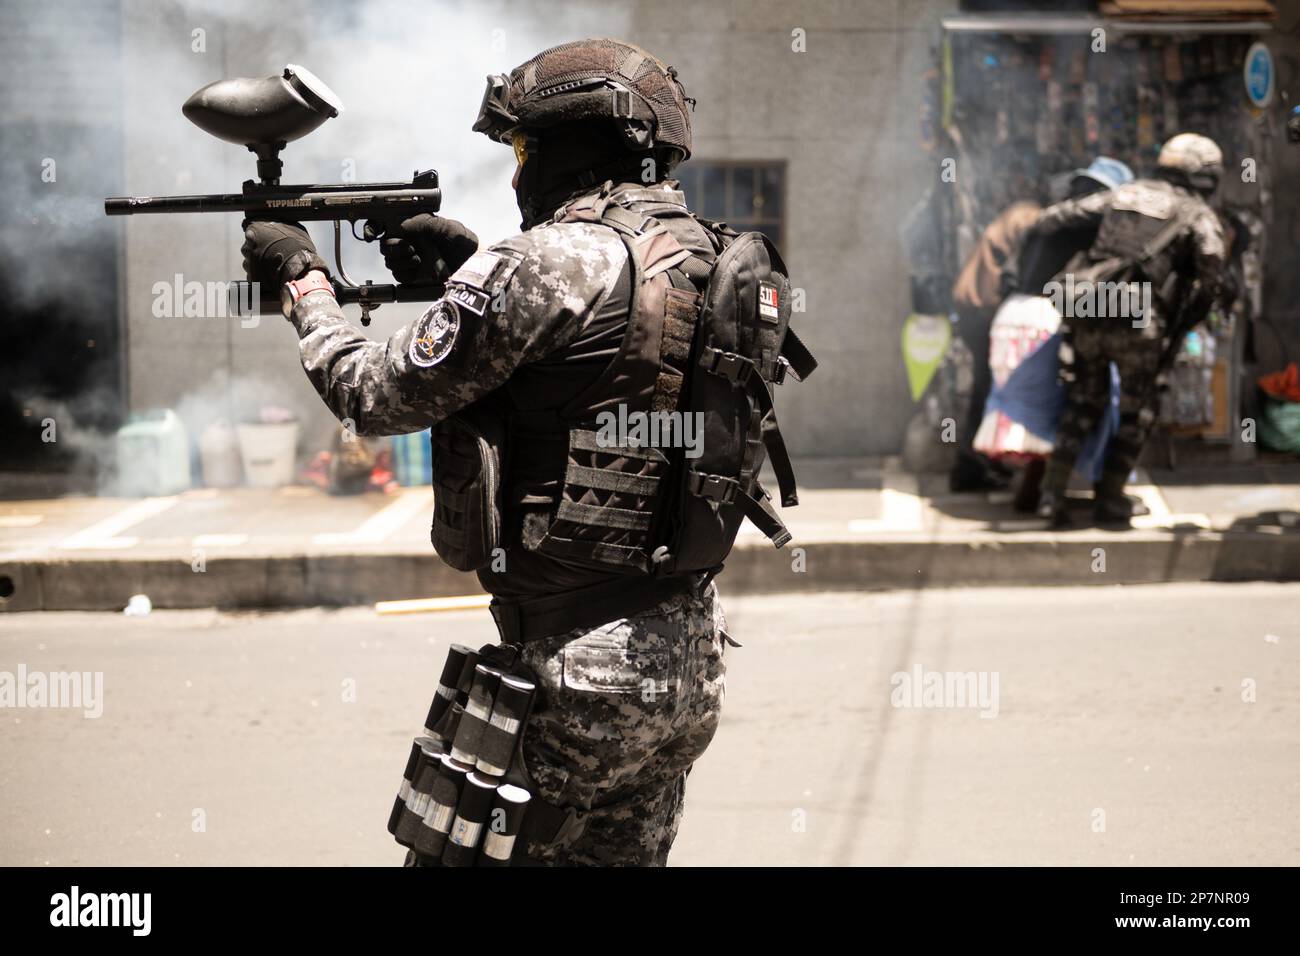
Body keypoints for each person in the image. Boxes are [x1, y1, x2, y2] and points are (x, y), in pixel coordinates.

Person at [240, 38, 810, 865]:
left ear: (562, 149)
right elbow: (595, 374)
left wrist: (304, 282)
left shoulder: (546, 259)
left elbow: (371, 391)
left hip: (573, 671)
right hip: (684, 664)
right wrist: (469, 272)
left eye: (520, 148)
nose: (516, 171)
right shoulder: (707, 253)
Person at [1027, 134, 1225, 527]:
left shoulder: (1124, 194)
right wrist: (1186, 319)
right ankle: (1110, 498)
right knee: (1138, 410)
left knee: (1082, 401)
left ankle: (1051, 496)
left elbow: (1053, 220)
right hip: (1142, 319)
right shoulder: (1195, 213)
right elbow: (1212, 269)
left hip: (1093, 309)